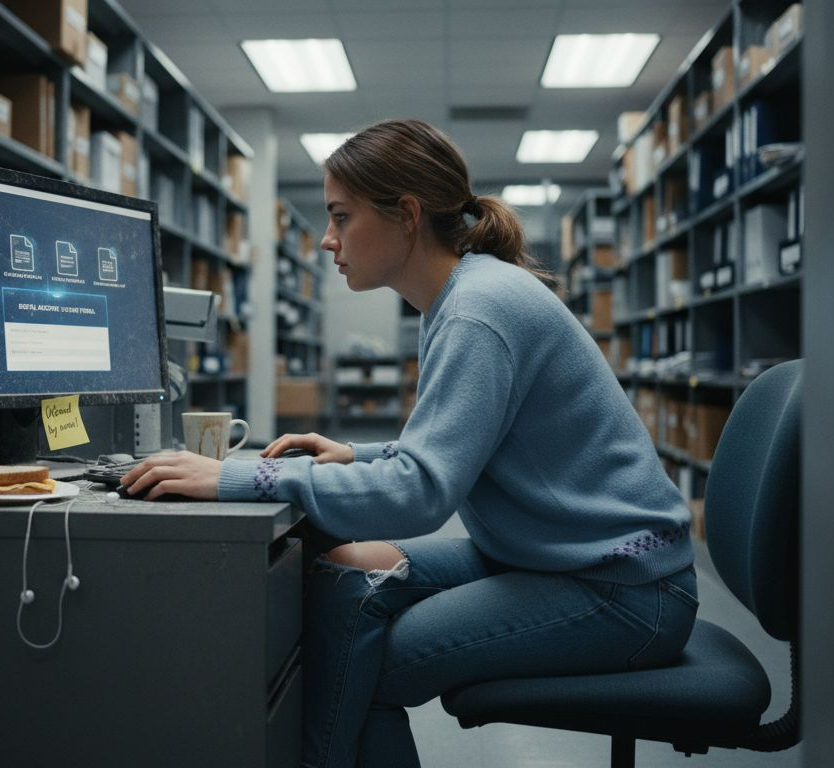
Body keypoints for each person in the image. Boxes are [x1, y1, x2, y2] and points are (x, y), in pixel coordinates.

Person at [121, 118, 697, 768]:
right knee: (341, 574)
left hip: (625, 587)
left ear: (407, 215)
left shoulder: (480, 311)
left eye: (341, 215)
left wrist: (233, 479)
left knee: (365, 662)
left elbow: (421, 493)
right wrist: (355, 455)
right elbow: (445, 450)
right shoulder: (456, 300)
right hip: (547, 554)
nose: (326, 239)